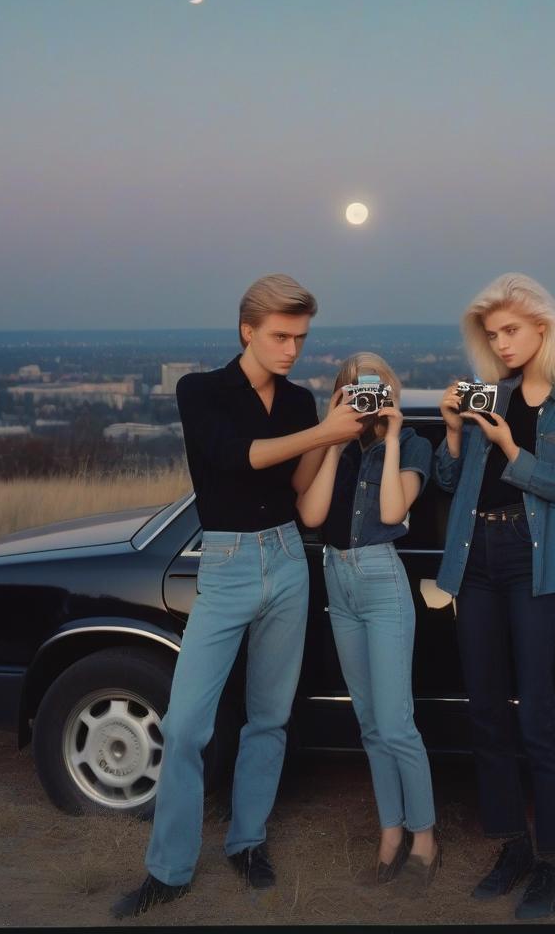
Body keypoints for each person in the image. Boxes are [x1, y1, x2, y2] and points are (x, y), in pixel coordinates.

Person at [113, 274, 366, 918]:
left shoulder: (302, 401)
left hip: (286, 559)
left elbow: (302, 493)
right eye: (280, 336)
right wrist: (320, 433)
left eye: (301, 338)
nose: (290, 350)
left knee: (269, 717)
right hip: (224, 566)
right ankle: (168, 870)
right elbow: (237, 459)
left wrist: (337, 438)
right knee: (187, 724)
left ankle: (246, 843)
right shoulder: (200, 391)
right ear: (247, 330)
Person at [433, 272, 555, 920]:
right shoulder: (490, 394)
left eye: (510, 330)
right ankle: (512, 849)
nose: (500, 344)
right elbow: (451, 482)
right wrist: (454, 429)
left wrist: (508, 445)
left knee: (536, 712)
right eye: (492, 334)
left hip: (536, 563)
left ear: (543, 326)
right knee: (486, 712)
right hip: (476, 557)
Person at [296, 353, 441, 890]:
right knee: (370, 725)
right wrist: (332, 440)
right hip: (338, 579)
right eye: (351, 389)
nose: (363, 398)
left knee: (397, 722)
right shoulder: (339, 450)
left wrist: (394, 435)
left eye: (370, 388)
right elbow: (312, 516)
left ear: (389, 391)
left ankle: (424, 835)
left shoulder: (413, 445)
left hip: (382, 583)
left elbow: (390, 513)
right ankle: (390, 832)